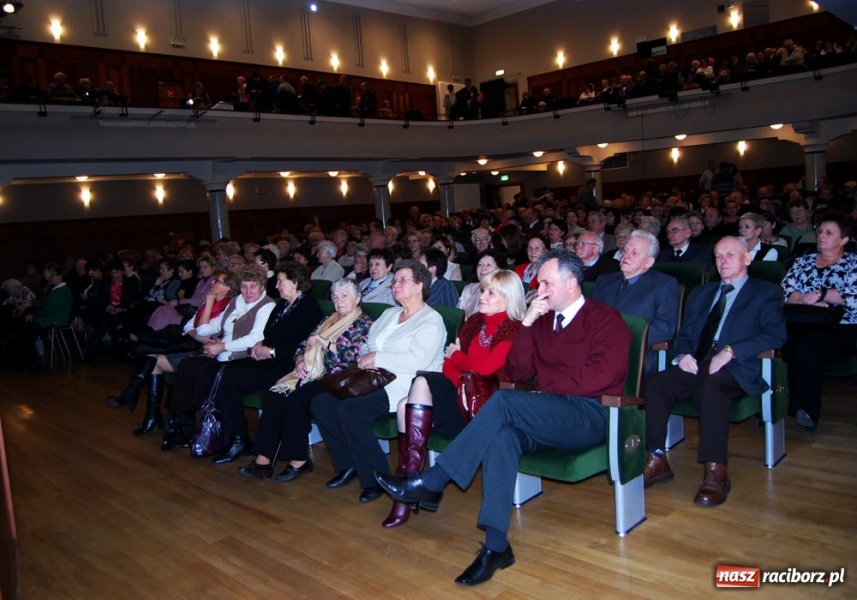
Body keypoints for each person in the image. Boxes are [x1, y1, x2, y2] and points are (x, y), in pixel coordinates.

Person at [374, 249, 630, 586]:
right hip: (547, 412)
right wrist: (527, 324)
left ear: (571, 283)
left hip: (590, 413)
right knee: (502, 437)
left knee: (504, 401)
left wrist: (545, 389)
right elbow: (519, 372)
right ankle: (496, 546)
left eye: (547, 284)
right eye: (539, 284)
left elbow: (604, 374)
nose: (539, 290)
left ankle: (433, 482)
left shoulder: (605, 318)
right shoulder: (541, 322)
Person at [643, 237, 786, 507]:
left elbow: (775, 334)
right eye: (718, 255)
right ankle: (657, 458)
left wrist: (731, 351)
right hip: (699, 362)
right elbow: (685, 334)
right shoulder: (702, 293)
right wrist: (683, 354)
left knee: (711, 386)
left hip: (737, 366)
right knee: (656, 384)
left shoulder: (765, 292)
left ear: (747, 258)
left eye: (730, 255)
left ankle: (716, 470)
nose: (722, 261)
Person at [381, 269, 526, 528]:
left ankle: (410, 490)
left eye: (491, 292)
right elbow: (447, 365)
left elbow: (484, 369)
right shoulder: (475, 322)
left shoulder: (513, 329)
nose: (482, 296)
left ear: (508, 297)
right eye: (483, 290)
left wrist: (458, 357)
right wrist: (461, 375)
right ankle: (411, 482)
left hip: (486, 410)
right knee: (414, 391)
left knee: (409, 402)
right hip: (461, 396)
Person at [310, 260, 445, 503]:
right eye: (394, 281)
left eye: (402, 280)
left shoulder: (431, 320)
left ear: (419, 285)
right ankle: (348, 464)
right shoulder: (389, 314)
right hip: (371, 378)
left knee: (351, 410)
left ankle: (375, 478)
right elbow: (368, 343)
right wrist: (367, 357)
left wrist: (377, 358)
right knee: (322, 403)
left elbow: (418, 360)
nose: (396, 285)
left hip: (404, 385)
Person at [237, 279, 372, 481]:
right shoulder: (328, 319)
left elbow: (351, 356)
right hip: (310, 371)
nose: (339, 301)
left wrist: (324, 343)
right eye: (335, 297)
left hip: (336, 376)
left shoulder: (364, 323)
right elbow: (303, 345)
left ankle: (299, 460)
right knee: (275, 394)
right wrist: (300, 360)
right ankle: (263, 460)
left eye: (345, 296)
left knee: (297, 399)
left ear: (358, 298)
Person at [209, 262, 324, 464]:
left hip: (288, 366)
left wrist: (270, 351)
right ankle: (237, 437)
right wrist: (260, 344)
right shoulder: (283, 305)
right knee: (226, 372)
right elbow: (269, 333)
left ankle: (244, 442)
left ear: (295, 282)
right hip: (270, 361)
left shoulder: (309, 308)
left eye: (280, 281)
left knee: (233, 377)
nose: (277, 286)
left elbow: (303, 347)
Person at [161, 265, 276, 451]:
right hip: (222, 354)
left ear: (262, 286)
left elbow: (254, 339)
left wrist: (221, 346)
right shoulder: (236, 301)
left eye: (253, 286)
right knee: (187, 365)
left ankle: (211, 430)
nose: (248, 291)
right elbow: (204, 330)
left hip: (242, 357)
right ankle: (181, 425)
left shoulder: (267, 306)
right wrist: (209, 301)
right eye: (244, 286)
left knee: (203, 371)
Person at [781, 213, 856, 431]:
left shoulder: (853, 264)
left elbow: (853, 296)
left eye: (829, 233)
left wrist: (821, 294)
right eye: (820, 231)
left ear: (844, 239)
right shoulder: (802, 261)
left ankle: (804, 409)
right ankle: (768, 405)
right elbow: (785, 290)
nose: (821, 236)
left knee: (811, 343)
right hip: (800, 321)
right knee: (774, 337)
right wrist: (804, 300)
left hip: (841, 327)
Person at [593, 231, 679, 374]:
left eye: (634, 252)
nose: (626, 255)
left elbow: (666, 327)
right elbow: (591, 316)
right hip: (598, 347)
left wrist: (622, 339)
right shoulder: (604, 281)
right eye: (625, 250)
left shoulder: (664, 284)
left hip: (637, 350)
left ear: (648, 262)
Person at [458, 249, 504, 318]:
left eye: (488, 265)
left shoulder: (503, 293)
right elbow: (458, 316)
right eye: (480, 264)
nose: (482, 268)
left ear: (499, 270)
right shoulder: (468, 288)